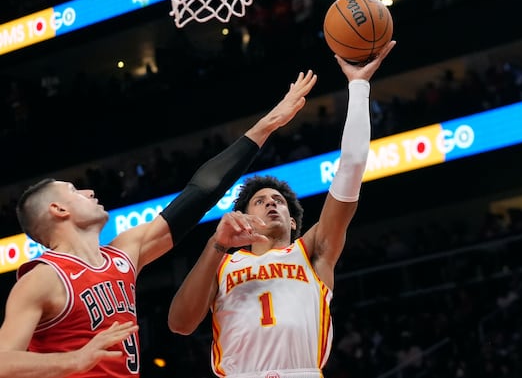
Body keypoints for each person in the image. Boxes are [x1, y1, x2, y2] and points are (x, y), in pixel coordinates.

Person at [0, 70, 318, 378]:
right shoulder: (41, 279)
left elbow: (200, 193)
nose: (88, 191)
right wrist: (75, 360)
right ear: (57, 209)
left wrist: (267, 124)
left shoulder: (124, 253)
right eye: (73, 190)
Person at [167, 40, 397, 377]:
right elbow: (180, 324)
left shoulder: (313, 252)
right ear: (245, 217)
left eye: (278, 201)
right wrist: (216, 245)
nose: (271, 203)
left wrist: (358, 85)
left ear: (292, 219)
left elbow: (353, 164)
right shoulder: (223, 264)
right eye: (259, 201)